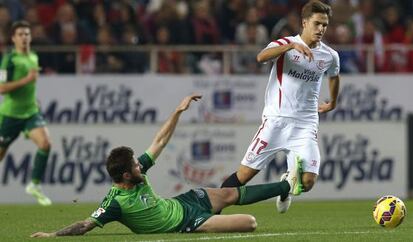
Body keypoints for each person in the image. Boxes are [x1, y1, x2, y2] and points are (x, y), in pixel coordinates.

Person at [30, 94, 303, 237]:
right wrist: (53, 235)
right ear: (126, 174)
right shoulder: (115, 203)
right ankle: (283, 186)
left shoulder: (137, 173)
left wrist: (177, 112)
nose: (142, 166)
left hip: (183, 202)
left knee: (229, 193)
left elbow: (159, 141)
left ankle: (285, 185)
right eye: (137, 166)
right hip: (187, 222)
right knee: (250, 224)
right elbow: (85, 225)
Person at [220, 0, 340, 214]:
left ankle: (287, 184)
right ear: (304, 22)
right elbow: (260, 57)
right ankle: (212, 209)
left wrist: (333, 101)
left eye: (325, 25)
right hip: (275, 121)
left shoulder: (329, 55)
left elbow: (334, 76)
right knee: (244, 176)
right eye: (317, 23)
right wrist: (291, 46)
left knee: (308, 182)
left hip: (305, 124)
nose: (321, 29)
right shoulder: (285, 43)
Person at [0, 20, 52, 206]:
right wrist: (26, 79)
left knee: (45, 144)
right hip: (10, 116)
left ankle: (34, 185)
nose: (24, 37)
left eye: (27, 34)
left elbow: (30, 86)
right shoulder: (9, 59)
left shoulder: (34, 57)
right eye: (20, 34)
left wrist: (33, 100)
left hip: (30, 112)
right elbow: (2, 88)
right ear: (13, 38)